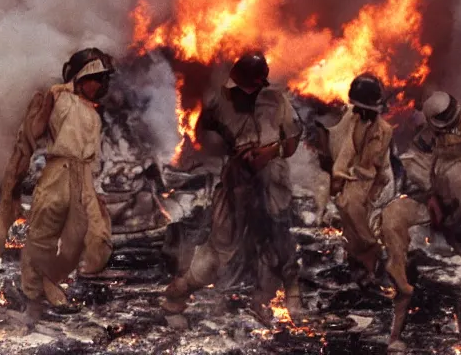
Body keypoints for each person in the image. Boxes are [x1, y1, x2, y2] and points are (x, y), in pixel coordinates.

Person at [162, 51, 302, 326]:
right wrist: (237, 151)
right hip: (237, 183)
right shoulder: (222, 103)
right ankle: (176, 296)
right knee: (218, 249)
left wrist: (268, 151)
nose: (239, 94)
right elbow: (203, 133)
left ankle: (270, 302)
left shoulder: (277, 102)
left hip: (271, 182)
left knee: (274, 243)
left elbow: (293, 140)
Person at [0, 48, 115, 324]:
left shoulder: (93, 114)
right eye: (95, 78)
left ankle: (50, 279)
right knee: (42, 237)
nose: (99, 85)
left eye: (102, 80)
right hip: (58, 173)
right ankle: (32, 299)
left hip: (83, 176)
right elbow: (30, 134)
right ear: (81, 76)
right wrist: (15, 175)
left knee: (98, 240)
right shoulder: (57, 96)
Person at [380, 91, 461, 353]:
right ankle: (398, 274)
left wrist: (455, 206)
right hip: (434, 199)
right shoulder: (427, 137)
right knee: (394, 214)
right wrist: (431, 197)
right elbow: (414, 165)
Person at [328, 73, 394, 281]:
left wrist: (372, 193)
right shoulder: (350, 119)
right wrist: (338, 176)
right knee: (349, 221)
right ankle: (359, 268)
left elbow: (378, 167)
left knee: (359, 218)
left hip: (372, 181)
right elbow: (342, 147)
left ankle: (375, 261)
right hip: (350, 177)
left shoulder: (383, 131)